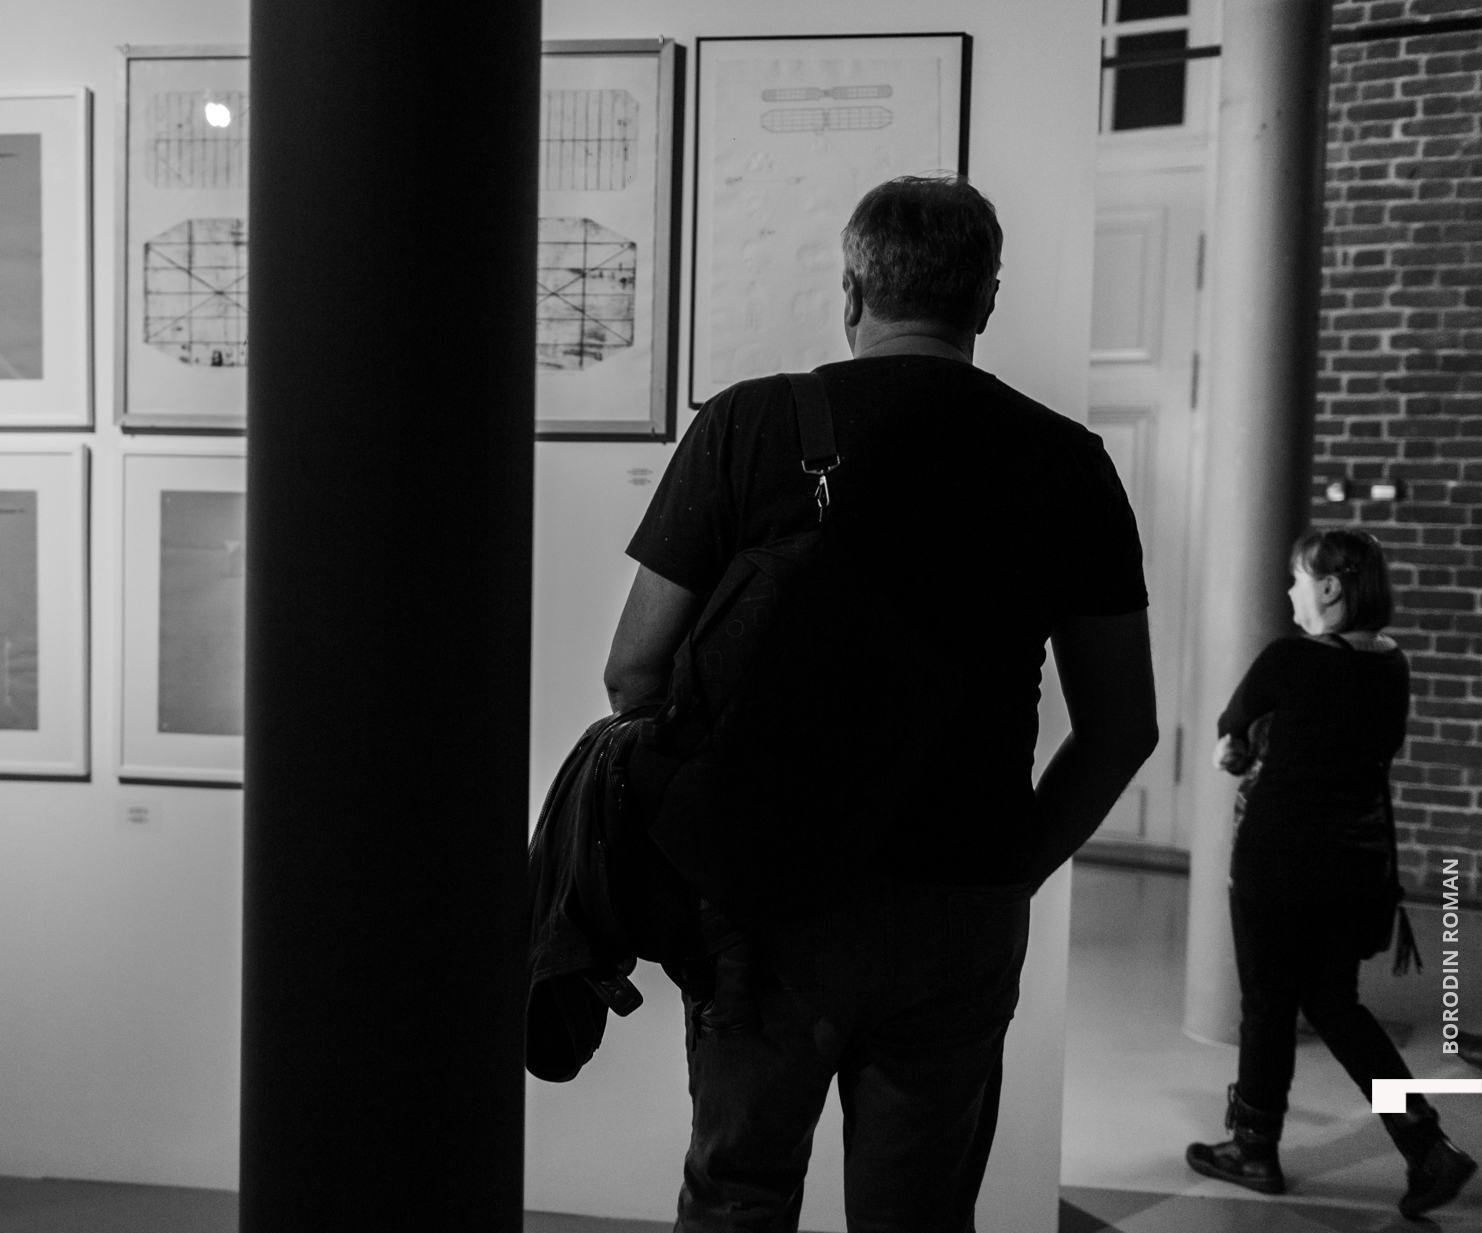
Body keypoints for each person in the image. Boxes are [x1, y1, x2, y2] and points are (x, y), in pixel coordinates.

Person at [603, 175, 1158, 1233]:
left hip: (767, 896)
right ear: (984, 298)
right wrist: (1008, 868)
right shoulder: (1067, 463)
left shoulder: (750, 424)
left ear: (851, 290)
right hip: (961, 897)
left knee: (735, 1196)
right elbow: (1122, 726)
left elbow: (633, 672)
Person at [1186, 529, 1477, 1218]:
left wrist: (1239, 747)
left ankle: (1253, 1147)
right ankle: (1426, 1143)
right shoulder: (1392, 664)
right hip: (1353, 865)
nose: (1290, 589)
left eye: (1297, 576)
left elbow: (1231, 725)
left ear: (1329, 586)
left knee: (1267, 1005)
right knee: (1335, 1004)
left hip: (1278, 861)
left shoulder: (1287, 658)